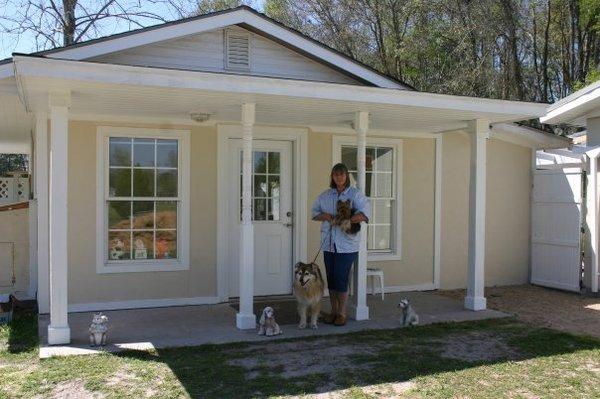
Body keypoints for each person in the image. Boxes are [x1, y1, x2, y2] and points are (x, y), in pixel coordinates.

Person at [311, 163, 370, 326]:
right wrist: (326, 216)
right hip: (329, 244)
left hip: (347, 245)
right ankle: (333, 312)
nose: (339, 177)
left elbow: (365, 215)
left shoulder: (355, 195)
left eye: (342, 174)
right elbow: (314, 214)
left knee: (341, 278)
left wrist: (347, 219)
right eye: (336, 175)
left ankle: (342, 313)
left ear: (347, 176)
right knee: (331, 279)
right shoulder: (325, 195)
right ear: (332, 177)